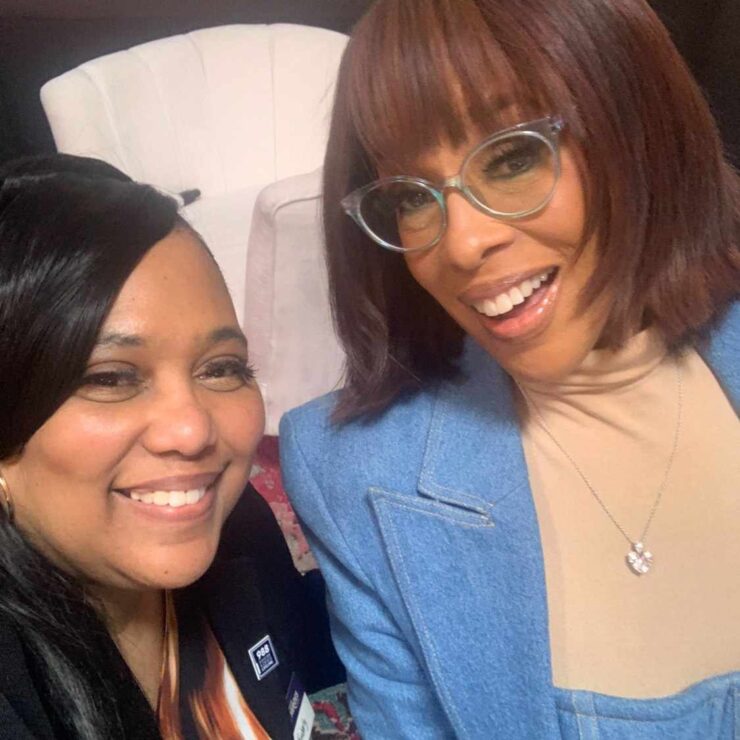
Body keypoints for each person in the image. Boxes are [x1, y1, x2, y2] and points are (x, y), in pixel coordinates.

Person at [278, 0, 740, 737]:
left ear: (640, 128)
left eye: (514, 157)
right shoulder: (356, 472)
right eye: (411, 196)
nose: (461, 244)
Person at [0, 154, 342, 740]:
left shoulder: (237, 528)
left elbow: (313, 651)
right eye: (111, 377)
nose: (193, 431)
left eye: (221, 367)